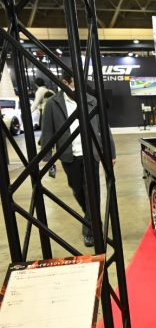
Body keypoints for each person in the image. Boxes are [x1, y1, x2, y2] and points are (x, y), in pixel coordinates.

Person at [40, 71, 116, 247]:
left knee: (92, 192)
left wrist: (111, 152)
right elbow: (47, 132)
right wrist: (48, 158)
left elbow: (104, 128)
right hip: (69, 155)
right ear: (65, 82)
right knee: (77, 190)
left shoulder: (91, 100)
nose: (78, 86)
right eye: (74, 83)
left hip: (91, 154)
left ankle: (90, 230)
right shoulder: (53, 103)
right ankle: (92, 218)